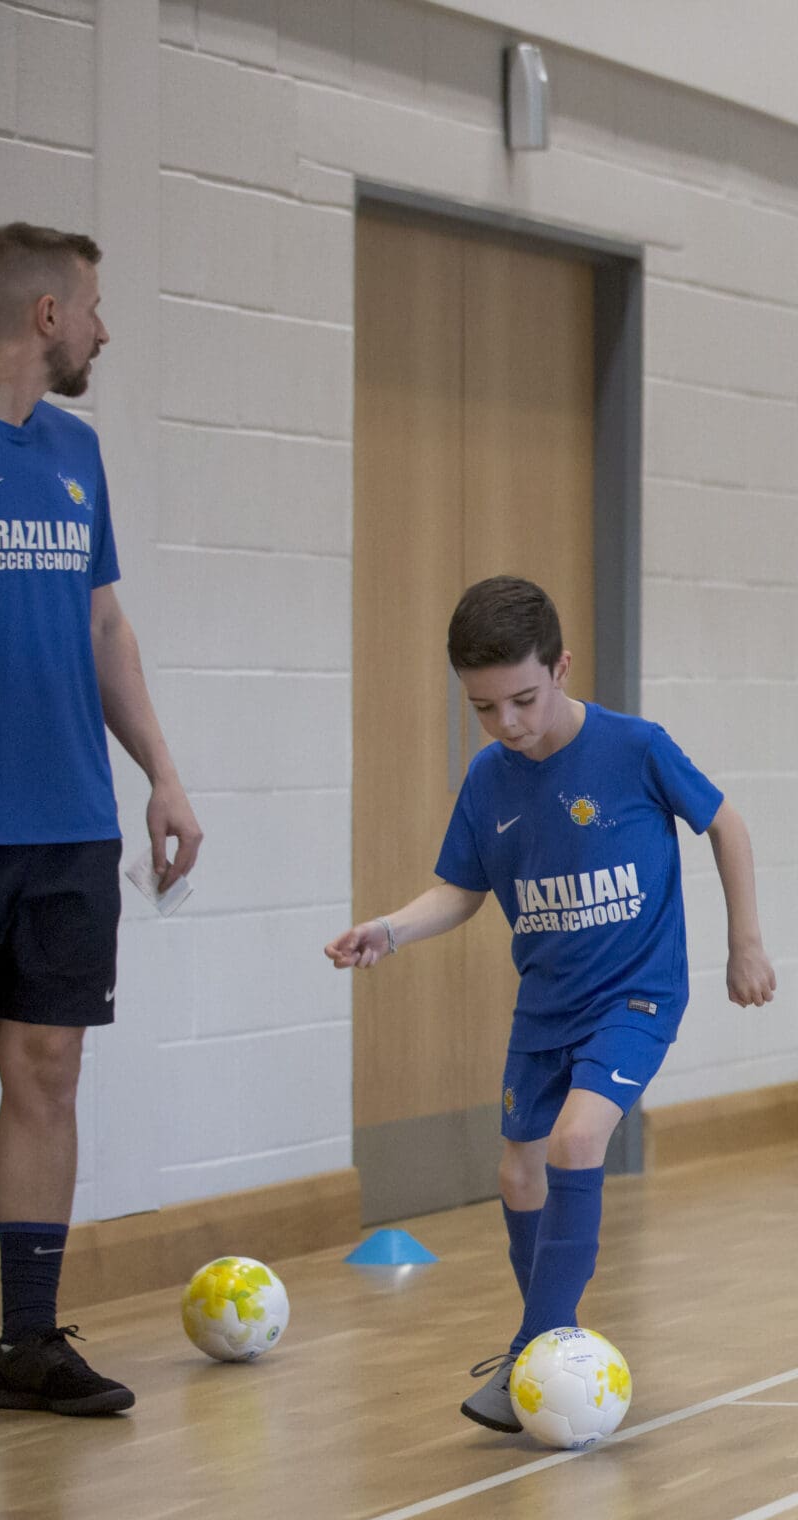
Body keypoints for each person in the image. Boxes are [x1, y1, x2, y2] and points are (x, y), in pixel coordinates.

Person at [324, 576, 774, 1434]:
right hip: (547, 1004)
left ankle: (536, 1344)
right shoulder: (489, 780)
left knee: (575, 1138)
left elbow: (728, 825)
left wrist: (743, 941)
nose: (507, 724)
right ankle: (549, 1346)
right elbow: (459, 892)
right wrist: (389, 928)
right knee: (518, 1170)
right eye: (484, 707)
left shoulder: (634, 747)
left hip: (637, 993)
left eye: (523, 699)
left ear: (561, 667)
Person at [0, 223, 203, 1415]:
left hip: (69, 821)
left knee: (49, 1068)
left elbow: (103, 628)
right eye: (92, 305)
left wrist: (161, 776)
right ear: (43, 316)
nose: (102, 327)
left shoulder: (76, 451)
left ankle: (30, 1342)